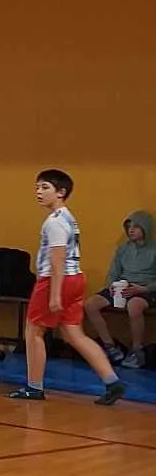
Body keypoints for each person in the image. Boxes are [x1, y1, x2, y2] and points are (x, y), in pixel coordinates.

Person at [10, 169, 125, 406]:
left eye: (45, 187)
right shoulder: (68, 218)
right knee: (74, 334)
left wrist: (54, 295)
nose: (38, 192)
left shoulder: (54, 222)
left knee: (33, 332)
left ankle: (34, 387)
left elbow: (58, 259)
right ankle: (112, 381)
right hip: (75, 279)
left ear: (61, 192)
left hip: (56, 280)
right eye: (37, 187)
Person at [82, 210, 156, 368]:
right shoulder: (123, 249)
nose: (131, 230)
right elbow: (113, 273)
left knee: (134, 306)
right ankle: (110, 347)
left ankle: (137, 351)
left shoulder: (154, 249)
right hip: (123, 286)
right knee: (90, 304)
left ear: (145, 228)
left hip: (145, 289)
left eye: (136, 227)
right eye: (129, 227)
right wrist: (111, 286)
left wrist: (143, 289)